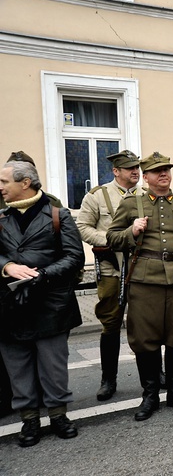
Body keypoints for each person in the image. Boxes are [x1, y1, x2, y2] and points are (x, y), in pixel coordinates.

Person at [107, 152, 173, 421]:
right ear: (146, 176)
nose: (163, 174)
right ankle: (150, 394)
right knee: (145, 340)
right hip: (144, 282)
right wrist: (132, 231)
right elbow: (112, 238)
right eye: (157, 171)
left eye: (167, 170)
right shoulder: (132, 204)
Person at [0, 160, 84, 446]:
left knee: (53, 365)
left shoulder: (59, 215)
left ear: (25, 183)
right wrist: (7, 266)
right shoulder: (1, 218)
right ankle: (29, 420)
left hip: (50, 304)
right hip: (9, 304)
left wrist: (43, 274)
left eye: (4, 181)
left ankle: (59, 415)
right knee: (18, 366)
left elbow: (75, 257)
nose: (0, 187)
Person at [76, 150, 141, 401]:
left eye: (137, 168)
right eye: (129, 168)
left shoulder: (145, 195)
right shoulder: (98, 196)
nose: (135, 172)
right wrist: (112, 240)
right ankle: (108, 379)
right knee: (111, 323)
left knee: (145, 324)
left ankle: (155, 373)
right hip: (111, 269)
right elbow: (83, 226)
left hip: (141, 268)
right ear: (116, 171)